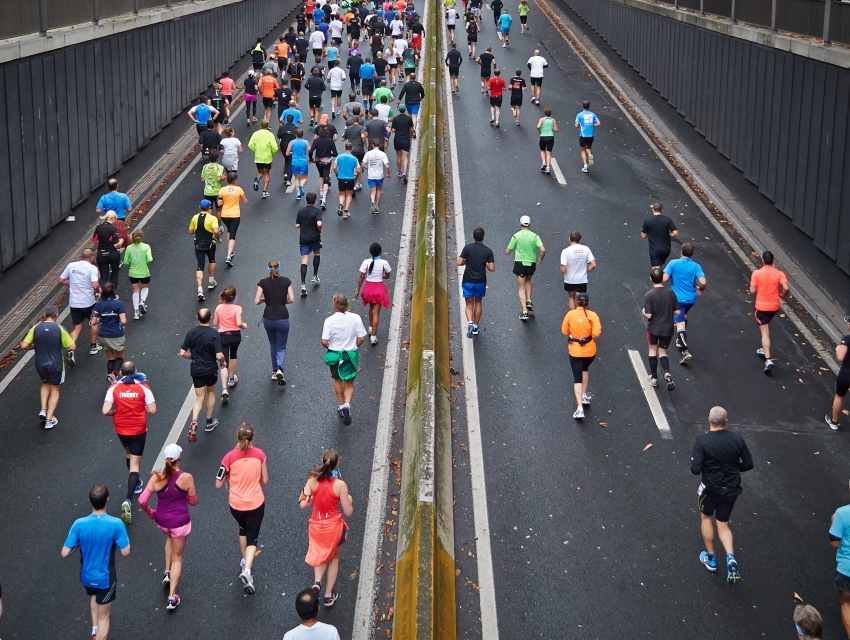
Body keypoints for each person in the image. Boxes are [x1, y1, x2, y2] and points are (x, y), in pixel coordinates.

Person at [691, 406, 752, 584]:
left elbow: (694, 469)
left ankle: (711, 558)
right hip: (731, 489)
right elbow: (748, 464)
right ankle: (730, 557)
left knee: (706, 518)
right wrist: (733, 469)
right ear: (726, 422)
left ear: (709, 419)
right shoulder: (737, 439)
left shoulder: (702, 441)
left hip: (711, 489)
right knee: (723, 524)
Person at [61, 485, 131, 640]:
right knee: (104, 617)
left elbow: (65, 552)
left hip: (86, 577)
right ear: (107, 500)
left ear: (90, 501)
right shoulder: (116, 524)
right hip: (105, 578)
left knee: (94, 596)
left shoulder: (79, 524)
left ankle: (94, 631)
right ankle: (99, 634)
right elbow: (125, 552)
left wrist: (77, 544)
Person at [138, 444, 197, 611]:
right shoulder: (186, 478)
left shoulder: (156, 477)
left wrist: (151, 513)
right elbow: (193, 501)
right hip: (180, 523)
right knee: (178, 558)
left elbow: (142, 500)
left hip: (162, 521)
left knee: (170, 538)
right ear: (179, 458)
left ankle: (166, 572)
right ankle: (172, 597)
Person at [216, 423, 269, 595]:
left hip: (236, 505)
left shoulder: (229, 458)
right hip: (255, 503)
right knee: (253, 538)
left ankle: (245, 560)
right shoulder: (260, 455)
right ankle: (247, 571)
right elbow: (265, 480)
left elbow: (218, 483)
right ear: (253, 437)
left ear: (237, 438)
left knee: (242, 529)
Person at [102, 361, 157, 524]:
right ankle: (128, 499)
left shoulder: (113, 389)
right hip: (138, 430)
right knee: (135, 464)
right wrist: (141, 407)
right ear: (136, 371)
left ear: (120, 373)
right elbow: (153, 409)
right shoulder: (143, 388)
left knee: (128, 453)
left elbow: (105, 411)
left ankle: (137, 483)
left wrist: (115, 413)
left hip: (121, 429)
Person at [299, 449, 354, 608]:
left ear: (323, 462)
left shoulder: (312, 481)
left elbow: (303, 504)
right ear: (337, 464)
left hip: (316, 526)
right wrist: (349, 500)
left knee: (320, 552)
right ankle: (328, 595)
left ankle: (317, 582)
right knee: (333, 558)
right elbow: (348, 512)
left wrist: (308, 497)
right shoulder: (340, 485)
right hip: (334, 527)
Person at [20, 305, 75, 429]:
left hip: (40, 363)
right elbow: (72, 347)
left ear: (44, 316)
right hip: (56, 364)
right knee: (55, 389)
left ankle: (43, 409)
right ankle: (49, 419)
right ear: (57, 315)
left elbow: (23, 346)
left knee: (45, 383)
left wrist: (33, 347)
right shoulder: (59, 329)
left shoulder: (35, 328)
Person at [179, 308, 225, 442]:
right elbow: (219, 355)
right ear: (210, 318)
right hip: (210, 369)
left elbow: (182, 353)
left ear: (197, 318)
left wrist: (193, 358)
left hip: (196, 369)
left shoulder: (191, 332)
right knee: (211, 392)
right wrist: (223, 363)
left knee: (199, 396)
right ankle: (209, 421)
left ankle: (194, 419)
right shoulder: (214, 334)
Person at [321, 293, 367, 425]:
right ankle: (347, 404)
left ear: (335, 306)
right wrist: (355, 345)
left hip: (336, 354)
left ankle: (341, 406)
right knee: (349, 382)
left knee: (337, 379)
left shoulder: (329, 321)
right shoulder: (356, 318)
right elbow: (362, 337)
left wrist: (330, 346)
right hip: (350, 354)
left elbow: (324, 341)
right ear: (347, 305)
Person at [663, 243, 706, 365]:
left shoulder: (673, 263)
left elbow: (665, 278)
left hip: (677, 299)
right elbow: (703, 282)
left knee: (679, 324)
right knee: (684, 316)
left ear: (681, 252)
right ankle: (680, 340)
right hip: (691, 299)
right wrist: (701, 289)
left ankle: (685, 350)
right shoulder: (696, 266)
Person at [561, 292, 601, 419]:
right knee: (585, 369)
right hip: (590, 351)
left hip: (575, 351)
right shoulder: (592, 315)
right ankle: (584, 395)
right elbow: (596, 333)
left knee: (577, 377)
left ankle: (579, 408)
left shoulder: (570, 314)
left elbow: (564, 331)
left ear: (577, 303)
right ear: (588, 303)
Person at [749, 250, 789, 375]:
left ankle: (767, 359)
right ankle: (763, 349)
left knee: (764, 332)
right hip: (774, 306)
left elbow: (752, 291)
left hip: (761, 307)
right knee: (766, 326)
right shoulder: (779, 273)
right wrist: (782, 295)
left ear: (762, 261)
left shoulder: (756, 273)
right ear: (773, 261)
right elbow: (786, 288)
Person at [255, 260, 295, 384]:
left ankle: (274, 370)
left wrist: (264, 300)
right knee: (281, 346)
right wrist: (283, 301)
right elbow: (292, 299)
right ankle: (280, 369)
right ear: (279, 268)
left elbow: (256, 301)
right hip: (283, 316)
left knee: (273, 344)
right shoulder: (286, 281)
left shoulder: (262, 283)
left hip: (268, 318)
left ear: (268, 269)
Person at [59, 249, 101, 362]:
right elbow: (95, 284)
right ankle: (93, 346)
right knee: (94, 322)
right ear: (92, 258)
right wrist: (98, 291)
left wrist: (72, 283)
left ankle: (70, 348)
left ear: (81, 256)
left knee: (77, 327)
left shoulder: (71, 265)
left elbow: (61, 280)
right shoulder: (92, 268)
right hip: (88, 302)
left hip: (74, 302)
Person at [642, 268, 678, 391]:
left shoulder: (649, 295)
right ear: (663, 278)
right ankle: (666, 372)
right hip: (667, 329)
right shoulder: (671, 293)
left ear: (651, 279)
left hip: (654, 328)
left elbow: (649, 315)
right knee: (663, 353)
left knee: (652, 350)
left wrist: (643, 312)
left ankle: (654, 377)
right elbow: (677, 311)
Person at [458, 227, 495, 338]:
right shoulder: (487, 251)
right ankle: (475, 326)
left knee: (469, 304)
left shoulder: (467, 248)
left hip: (468, 280)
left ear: (473, 237)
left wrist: (466, 261)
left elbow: (459, 262)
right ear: (483, 237)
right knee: (478, 302)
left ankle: (469, 322)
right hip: (480, 281)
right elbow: (492, 268)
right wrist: (486, 264)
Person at [505, 215, 545, 321]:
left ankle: (524, 312)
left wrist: (513, 249)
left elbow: (508, 251)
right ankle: (529, 300)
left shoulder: (516, 236)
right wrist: (540, 258)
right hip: (531, 263)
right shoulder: (535, 236)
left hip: (520, 263)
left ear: (520, 224)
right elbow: (543, 249)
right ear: (529, 224)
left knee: (521, 287)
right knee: (528, 280)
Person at [354, 243, 392, 345]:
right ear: (380, 252)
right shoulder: (384, 263)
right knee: (376, 313)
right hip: (379, 289)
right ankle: (373, 337)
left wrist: (358, 289)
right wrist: (383, 276)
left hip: (368, 289)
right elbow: (387, 275)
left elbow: (362, 276)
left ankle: (370, 328)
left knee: (371, 308)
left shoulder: (366, 262)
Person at [214, 286, 247, 402]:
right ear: (234, 297)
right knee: (233, 355)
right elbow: (239, 323)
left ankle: (224, 389)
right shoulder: (238, 308)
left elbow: (215, 322)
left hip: (222, 336)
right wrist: (244, 325)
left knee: (223, 362)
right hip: (235, 335)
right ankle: (231, 379)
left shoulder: (218, 307)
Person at [91, 283, 127, 385]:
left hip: (103, 335)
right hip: (116, 334)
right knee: (120, 356)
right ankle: (113, 375)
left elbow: (93, 322)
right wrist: (121, 324)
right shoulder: (118, 304)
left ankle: (111, 381)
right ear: (113, 292)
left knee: (111, 358)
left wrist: (100, 320)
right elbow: (123, 320)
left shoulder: (98, 305)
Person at [188, 200, 221, 302]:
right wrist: (218, 238)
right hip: (210, 243)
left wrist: (197, 231)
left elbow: (190, 231)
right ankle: (211, 281)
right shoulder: (212, 218)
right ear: (210, 207)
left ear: (199, 207)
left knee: (200, 266)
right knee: (212, 260)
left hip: (199, 244)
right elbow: (216, 231)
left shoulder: (195, 217)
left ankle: (200, 289)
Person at [217, 171, 248, 268]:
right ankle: (228, 256)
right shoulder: (239, 190)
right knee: (233, 236)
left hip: (225, 215)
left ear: (227, 180)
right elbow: (245, 201)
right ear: (235, 180)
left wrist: (226, 200)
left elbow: (219, 204)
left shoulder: (222, 190)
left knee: (229, 230)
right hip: (235, 215)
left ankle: (230, 251)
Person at [560, 231, 596, 310]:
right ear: (580, 240)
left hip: (569, 280)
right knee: (581, 299)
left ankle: (573, 316)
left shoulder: (565, 251)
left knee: (571, 298)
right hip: (581, 280)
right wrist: (586, 270)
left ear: (569, 239)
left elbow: (563, 269)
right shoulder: (586, 249)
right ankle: (582, 316)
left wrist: (562, 269)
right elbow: (593, 264)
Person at [296, 194, 324, 295]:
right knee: (317, 254)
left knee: (304, 260)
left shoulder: (301, 211)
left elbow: (297, 225)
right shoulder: (317, 211)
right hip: (315, 237)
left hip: (303, 239)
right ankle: (315, 275)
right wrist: (319, 230)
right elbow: (319, 224)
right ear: (315, 201)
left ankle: (303, 284)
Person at [122, 230, 152, 322]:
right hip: (144, 272)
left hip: (133, 273)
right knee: (145, 287)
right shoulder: (146, 247)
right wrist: (146, 263)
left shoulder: (129, 248)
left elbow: (126, 262)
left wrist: (132, 262)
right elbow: (150, 259)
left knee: (135, 291)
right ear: (142, 237)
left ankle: (136, 312)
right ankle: (142, 301)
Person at [826, 315, 850, 431]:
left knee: (839, 396)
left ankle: (834, 422)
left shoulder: (847, 339)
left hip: (846, 374)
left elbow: (840, 357)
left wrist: (837, 349)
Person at [248, 120, 279, 199]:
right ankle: (264, 192)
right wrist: (272, 152)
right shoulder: (270, 135)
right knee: (267, 173)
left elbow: (250, 144)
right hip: (267, 157)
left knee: (260, 172)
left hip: (258, 157)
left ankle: (257, 179)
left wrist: (256, 150)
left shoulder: (255, 134)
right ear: (267, 126)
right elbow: (275, 147)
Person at [640, 202, 678, 267]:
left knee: (655, 270)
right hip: (666, 249)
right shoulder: (668, 220)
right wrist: (668, 235)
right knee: (660, 267)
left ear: (653, 210)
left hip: (655, 249)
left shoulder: (648, 221)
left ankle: (656, 277)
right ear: (662, 210)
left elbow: (643, 236)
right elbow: (675, 233)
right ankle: (660, 276)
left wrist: (651, 232)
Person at [93, 211, 125, 290]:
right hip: (112, 254)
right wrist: (121, 241)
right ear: (113, 218)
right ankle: (112, 293)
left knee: (103, 276)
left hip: (101, 254)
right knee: (114, 273)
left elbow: (94, 240)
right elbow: (115, 244)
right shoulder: (113, 228)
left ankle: (101, 293)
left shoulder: (99, 227)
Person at [309, 126, 338, 209]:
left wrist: (312, 159)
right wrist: (330, 154)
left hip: (318, 161)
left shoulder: (316, 141)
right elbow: (335, 153)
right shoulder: (330, 141)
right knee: (326, 177)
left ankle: (321, 192)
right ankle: (324, 198)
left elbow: (311, 151)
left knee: (321, 175)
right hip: (327, 162)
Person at [362, 137, 391, 214]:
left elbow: (363, 164)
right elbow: (387, 166)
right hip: (379, 175)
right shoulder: (383, 154)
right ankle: (376, 206)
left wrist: (368, 168)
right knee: (378, 190)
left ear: (372, 145)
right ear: (380, 145)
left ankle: (372, 201)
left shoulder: (368, 153)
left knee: (372, 191)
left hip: (371, 175)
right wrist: (388, 174)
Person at [333, 141, 361, 218]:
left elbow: (334, 167)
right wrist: (357, 176)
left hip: (341, 178)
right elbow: (358, 170)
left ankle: (341, 204)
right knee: (349, 194)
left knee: (342, 193)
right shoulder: (354, 158)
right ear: (352, 149)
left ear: (345, 148)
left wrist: (337, 174)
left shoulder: (339, 157)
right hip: (350, 178)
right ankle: (345, 212)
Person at [390, 103, 414, 181]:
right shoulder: (409, 119)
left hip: (398, 139)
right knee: (405, 157)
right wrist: (410, 135)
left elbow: (393, 130)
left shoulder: (395, 119)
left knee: (398, 156)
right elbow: (412, 129)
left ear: (399, 109)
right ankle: (404, 172)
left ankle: (399, 171)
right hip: (406, 139)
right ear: (405, 110)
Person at [574, 100, 600, 173]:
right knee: (588, 147)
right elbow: (598, 123)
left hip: (583, 135)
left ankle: (585, 166)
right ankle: (590, 154)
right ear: (588, 107)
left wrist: (579, 124)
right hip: (591, 135)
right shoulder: (593, 114)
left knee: (583, 150)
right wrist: (593, 125)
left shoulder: (579, 115)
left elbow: (576, 125)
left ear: (582, 106)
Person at [201, 148, 226, 220]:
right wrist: (223, 178)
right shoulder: (219, 167)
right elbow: (218, 179)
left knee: (209, 210)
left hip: (207, 192)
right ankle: (217, 227)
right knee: (218, 210)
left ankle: (209, 226)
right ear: (217, 158)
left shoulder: (205, 166)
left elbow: (202, 179)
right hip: (217, 192)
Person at [288, 128, 312, 201]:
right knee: (304, 178)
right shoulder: (305, 142)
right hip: (303, 162)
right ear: (302, 134)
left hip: (294, 162)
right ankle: (302, 185)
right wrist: (310, 159)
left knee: (296, 178)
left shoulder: (291, 142)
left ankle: (298, 193)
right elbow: (310, 151)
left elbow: (287, 153)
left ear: (295, 134)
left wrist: (292, 153)